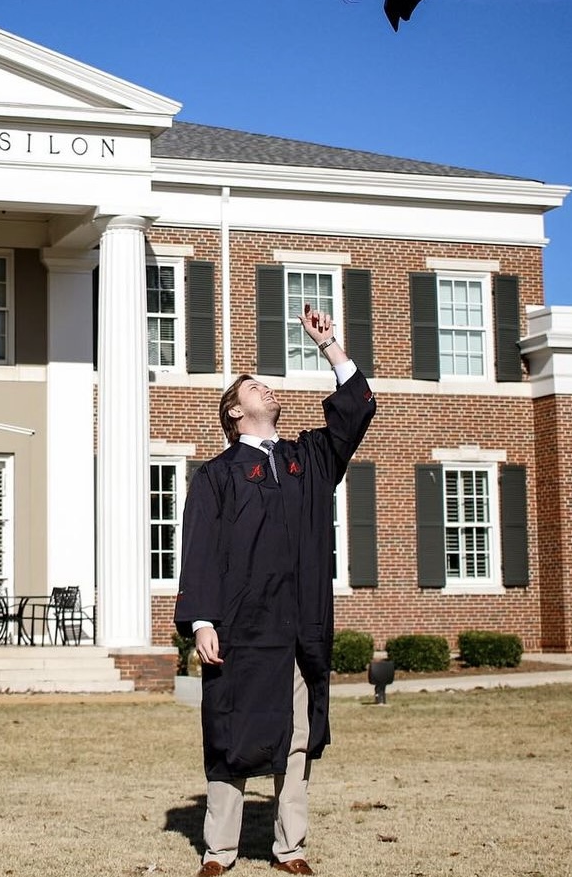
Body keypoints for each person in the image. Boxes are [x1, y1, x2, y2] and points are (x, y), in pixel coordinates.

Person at [174, 306, 376, 876]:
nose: (265, 387)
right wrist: (202, 621)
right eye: (252, 387)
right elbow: (201, 554)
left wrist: (330, 345)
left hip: (299, 625)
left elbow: (357, 411)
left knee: (297, 736)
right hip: (240, 628)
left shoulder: (307, 459)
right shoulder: (217, 475)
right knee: (231, 733)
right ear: (235, 411)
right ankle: (220, 851)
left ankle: (291, 847)